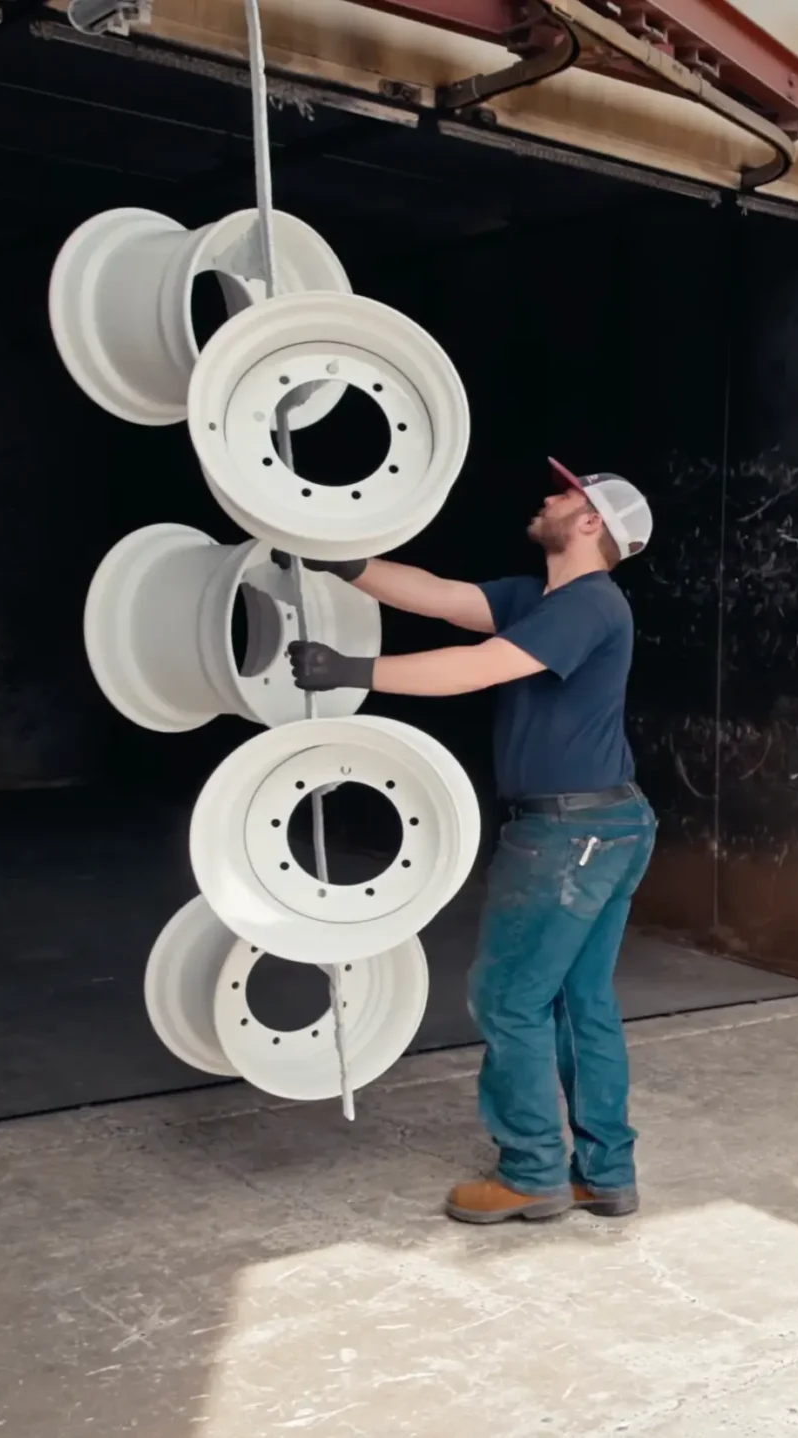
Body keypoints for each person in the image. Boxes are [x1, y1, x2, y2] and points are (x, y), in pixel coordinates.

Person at [286, 458, 657, 1226]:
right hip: (601, 825)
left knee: (510, 998)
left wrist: (351, 671)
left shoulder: (590, 604)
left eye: (566, 494)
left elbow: (478, 667)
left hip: (570, 834)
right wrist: (343, 562)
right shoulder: (538, 598)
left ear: (591, 522)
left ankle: (532, 1172)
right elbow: (439, 597)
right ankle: (604, 1174)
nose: (550, 496)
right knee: (578, 1000)